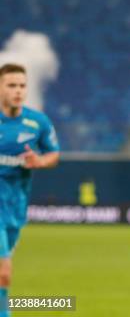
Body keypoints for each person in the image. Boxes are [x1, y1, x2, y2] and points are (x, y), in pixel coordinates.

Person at [0, 63, 60, 317]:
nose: (18, 90)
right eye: (11, 85)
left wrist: (39, 162)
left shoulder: (37, 122)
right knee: (4, 273)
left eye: (22, 85)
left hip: (17, 205)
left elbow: (53, 154)